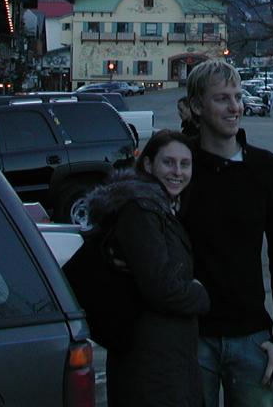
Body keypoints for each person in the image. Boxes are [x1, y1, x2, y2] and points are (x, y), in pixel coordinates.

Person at [180, 59, 273, 407]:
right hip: (190, 337)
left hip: (251, 338)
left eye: (238, 96)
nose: (235, 107)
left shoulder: (266, 169)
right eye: (222, 98)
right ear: (197, 106)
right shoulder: (180, 167)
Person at [87, 130, 210, 407]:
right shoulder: (141, 210)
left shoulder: (161, 206)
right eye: (168, 162)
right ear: (147, 164)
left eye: (185, 164)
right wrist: (200, 294)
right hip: (150, 365)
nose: (177, 172)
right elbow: (161, 288)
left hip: (167, 359)